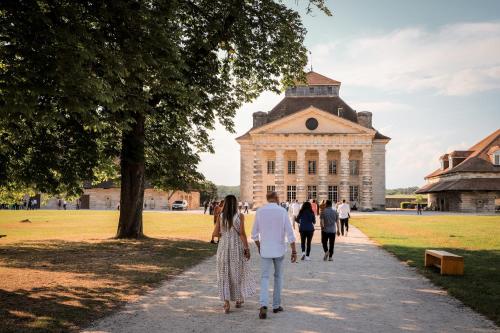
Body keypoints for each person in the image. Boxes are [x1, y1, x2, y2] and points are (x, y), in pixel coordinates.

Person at [251, 191, 297, 319]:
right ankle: (276, 305)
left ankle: (263, 305)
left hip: (265, 250)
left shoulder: (260, 211)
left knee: (264, 278)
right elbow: (290, 233)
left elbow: (254, 234)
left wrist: (259, 246)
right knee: (278, 277)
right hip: (279, 250)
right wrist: (294, 251)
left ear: (267, 199)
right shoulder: (282, 211)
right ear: (276, 198)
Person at [213, 195, 256, 314]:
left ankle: (226, 303)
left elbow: (215, 233)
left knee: (224, 273)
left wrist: (225, 234)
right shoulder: (240, 216)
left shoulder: (220, 216)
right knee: (237, 272)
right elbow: (242, 233)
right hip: (236, 247)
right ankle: (238, 299)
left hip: (223, 247)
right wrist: (247, 248)